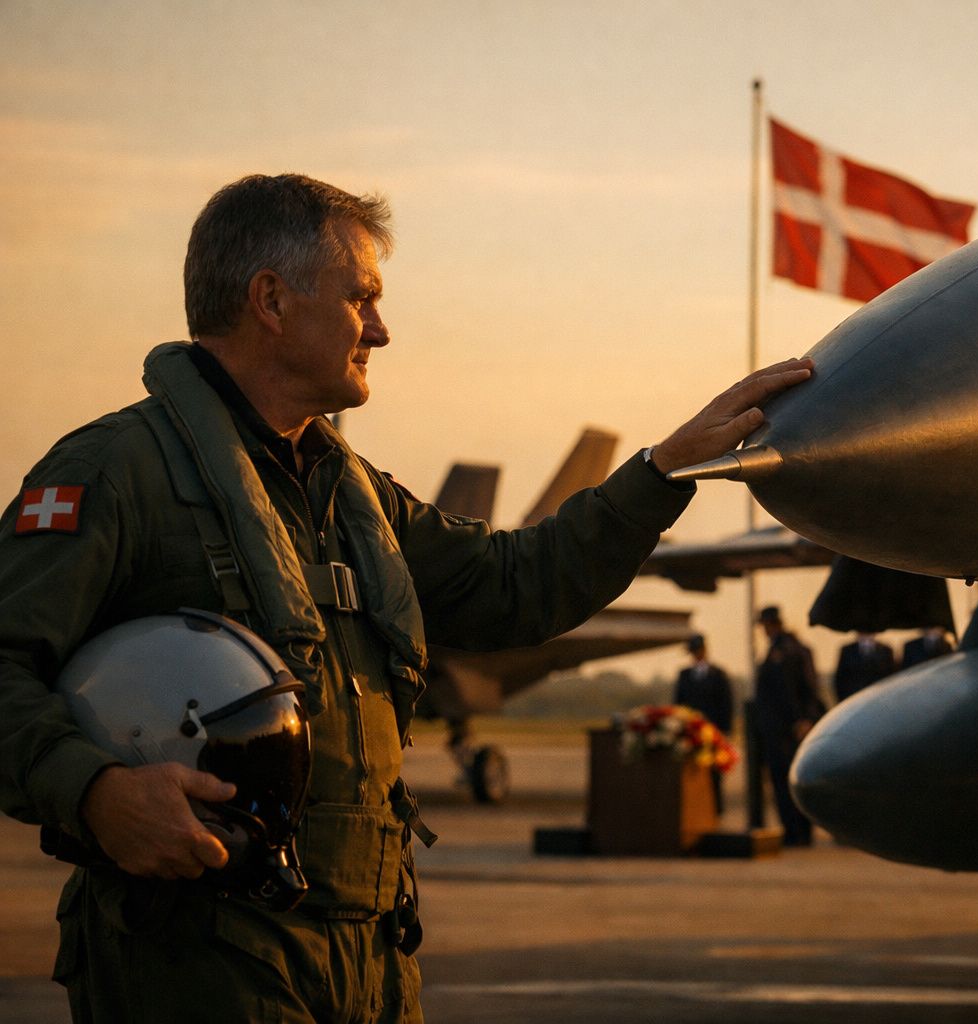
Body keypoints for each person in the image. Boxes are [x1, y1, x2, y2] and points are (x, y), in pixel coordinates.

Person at [0, 173, 812, 1023]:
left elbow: (514, 586)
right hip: (203, 956)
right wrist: (96, 793)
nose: (382, 330)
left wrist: (661, 473)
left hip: (371, 955)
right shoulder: (113, 474)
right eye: (363, 299)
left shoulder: (355, 497)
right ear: (271, 301)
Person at [752, 605, 824, 847]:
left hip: (788, 729)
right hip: (781, 728)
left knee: (787, 782)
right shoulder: (784, 649)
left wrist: (805, 719)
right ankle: (795, 832)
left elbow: (807, 689)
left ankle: (798, 833)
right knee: (785, 782)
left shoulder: (790, 651)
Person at [673, 633, 733, 814]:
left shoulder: (719, 675)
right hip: (692, 733)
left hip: (713, 732)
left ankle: (716, 812)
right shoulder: (684, 675)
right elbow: (678, 704)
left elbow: (726, 704)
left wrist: (725, 731)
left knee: (714, 775)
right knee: (692, 774)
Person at [832, 631, 896, 702]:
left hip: (879, 698)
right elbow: (840, 679)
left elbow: (891, 678)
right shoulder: (847, 650)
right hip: (853, 699)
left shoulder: (885, 650)